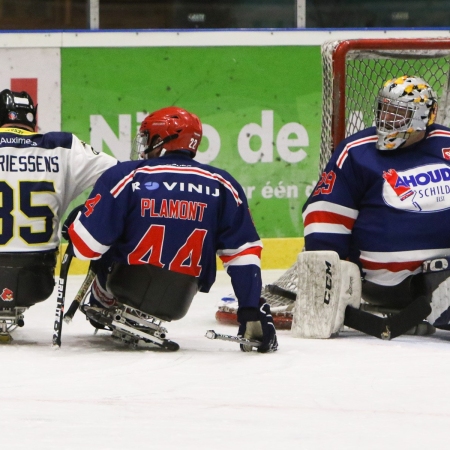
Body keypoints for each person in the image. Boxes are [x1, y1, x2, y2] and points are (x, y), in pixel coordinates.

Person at [67, 106, 277, 352]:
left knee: (104, 233)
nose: (144, 145)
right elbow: (243, 253)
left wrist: (76, 222)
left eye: (147, 137)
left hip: (123, 287)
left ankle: (103, 303)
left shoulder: (126, 176)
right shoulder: (224, 185)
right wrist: (250, 309)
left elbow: (85, 248)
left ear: (161, 139)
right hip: (177, 302)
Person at [299, 75, 450, 339]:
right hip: (388, 285)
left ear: (424, 116)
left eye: (398, 113)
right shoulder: (357, 152)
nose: (387, 119)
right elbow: (324, 215)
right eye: (385, 109)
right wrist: (331, 278)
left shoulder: (446, 143)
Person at [0, 88, 116, 339]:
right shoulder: (63, 146)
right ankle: (109, 296)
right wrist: (89, 210)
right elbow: (121, 177)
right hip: (37, 279)